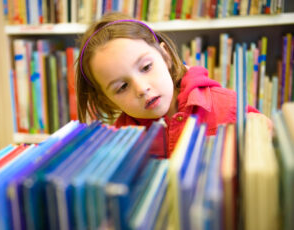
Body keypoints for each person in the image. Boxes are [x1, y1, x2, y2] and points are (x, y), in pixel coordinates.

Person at [75, 12, 264, 158]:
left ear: (165, 57)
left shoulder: (226, 104)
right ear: (107, 100)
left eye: (146, 67)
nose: (141, 89)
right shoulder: (119, 139)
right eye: (122, 87)